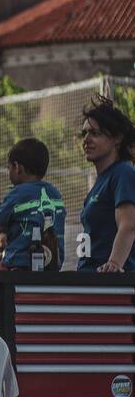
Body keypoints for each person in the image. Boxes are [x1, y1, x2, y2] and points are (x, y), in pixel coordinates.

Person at [77, 95, 135, 273]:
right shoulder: (100, 182)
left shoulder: (122, 173)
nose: (86, 139)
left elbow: (129, 225)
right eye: (84, 133)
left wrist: (115, 264)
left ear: (117, 138)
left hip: (109, 285)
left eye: (95, 133)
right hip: (90, 278)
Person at [0, 137, 66, 271]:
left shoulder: (16, 193)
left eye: (9, 168)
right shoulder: (55, 193)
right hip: (52, 267)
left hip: (19, 266)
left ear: (17, 167)